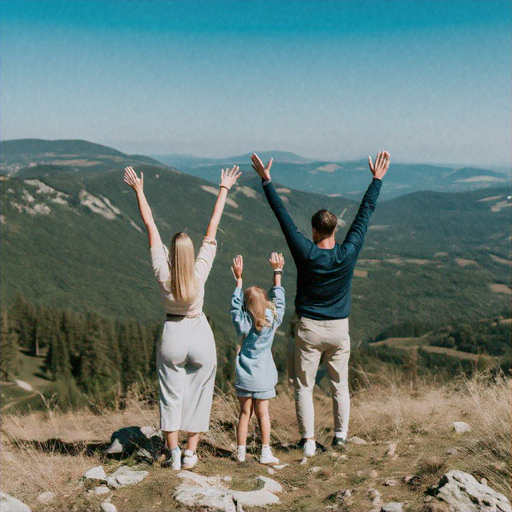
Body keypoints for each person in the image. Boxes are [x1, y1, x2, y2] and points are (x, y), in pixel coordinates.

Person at [250, 151, 390, 457]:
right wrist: (376, 179)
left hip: (309, 328)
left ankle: (309, 441)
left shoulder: (305, 252)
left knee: (304, 386)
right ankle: (340, 438)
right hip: (339, 329)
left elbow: (283, 217)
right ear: (336, 229)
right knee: (340, 385)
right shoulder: (348, 253)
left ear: (314, 231)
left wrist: (266, 181)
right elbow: (365, 215)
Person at [123, 164, 241, 470]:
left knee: (170, 394)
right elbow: (212, 227)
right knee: (200, 393)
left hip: (173, 334)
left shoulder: (163, 273)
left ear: (171, 254)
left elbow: (149, 225)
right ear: (189, 255)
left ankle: (173, 454)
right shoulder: (199, 273)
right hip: (199, 332)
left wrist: (139, 190)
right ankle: (191, 452)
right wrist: (224, 188)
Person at [230, 252, 286, 465]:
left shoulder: (244, 323)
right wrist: (277, 273)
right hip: (263, 376)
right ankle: (265, 451)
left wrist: (238, 281)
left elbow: (236, 311)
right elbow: (279, 303)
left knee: (245, 414)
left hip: (245, 375)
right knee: (263, 415)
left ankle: (241, 452)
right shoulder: (272, 321)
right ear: (265, 302)